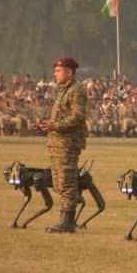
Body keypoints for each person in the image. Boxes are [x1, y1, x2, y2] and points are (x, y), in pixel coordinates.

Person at [38, 56, 88, 234]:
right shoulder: (63, 90)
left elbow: (78, 116)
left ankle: (67, 222)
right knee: (59, 183)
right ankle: (66, 220)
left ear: (69, 72)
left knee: (67, 182)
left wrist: (55, 125)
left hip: (68, 143)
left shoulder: (76, 90)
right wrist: (49, 125)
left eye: (59, 71)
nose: (55, 74)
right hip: (57, 143)